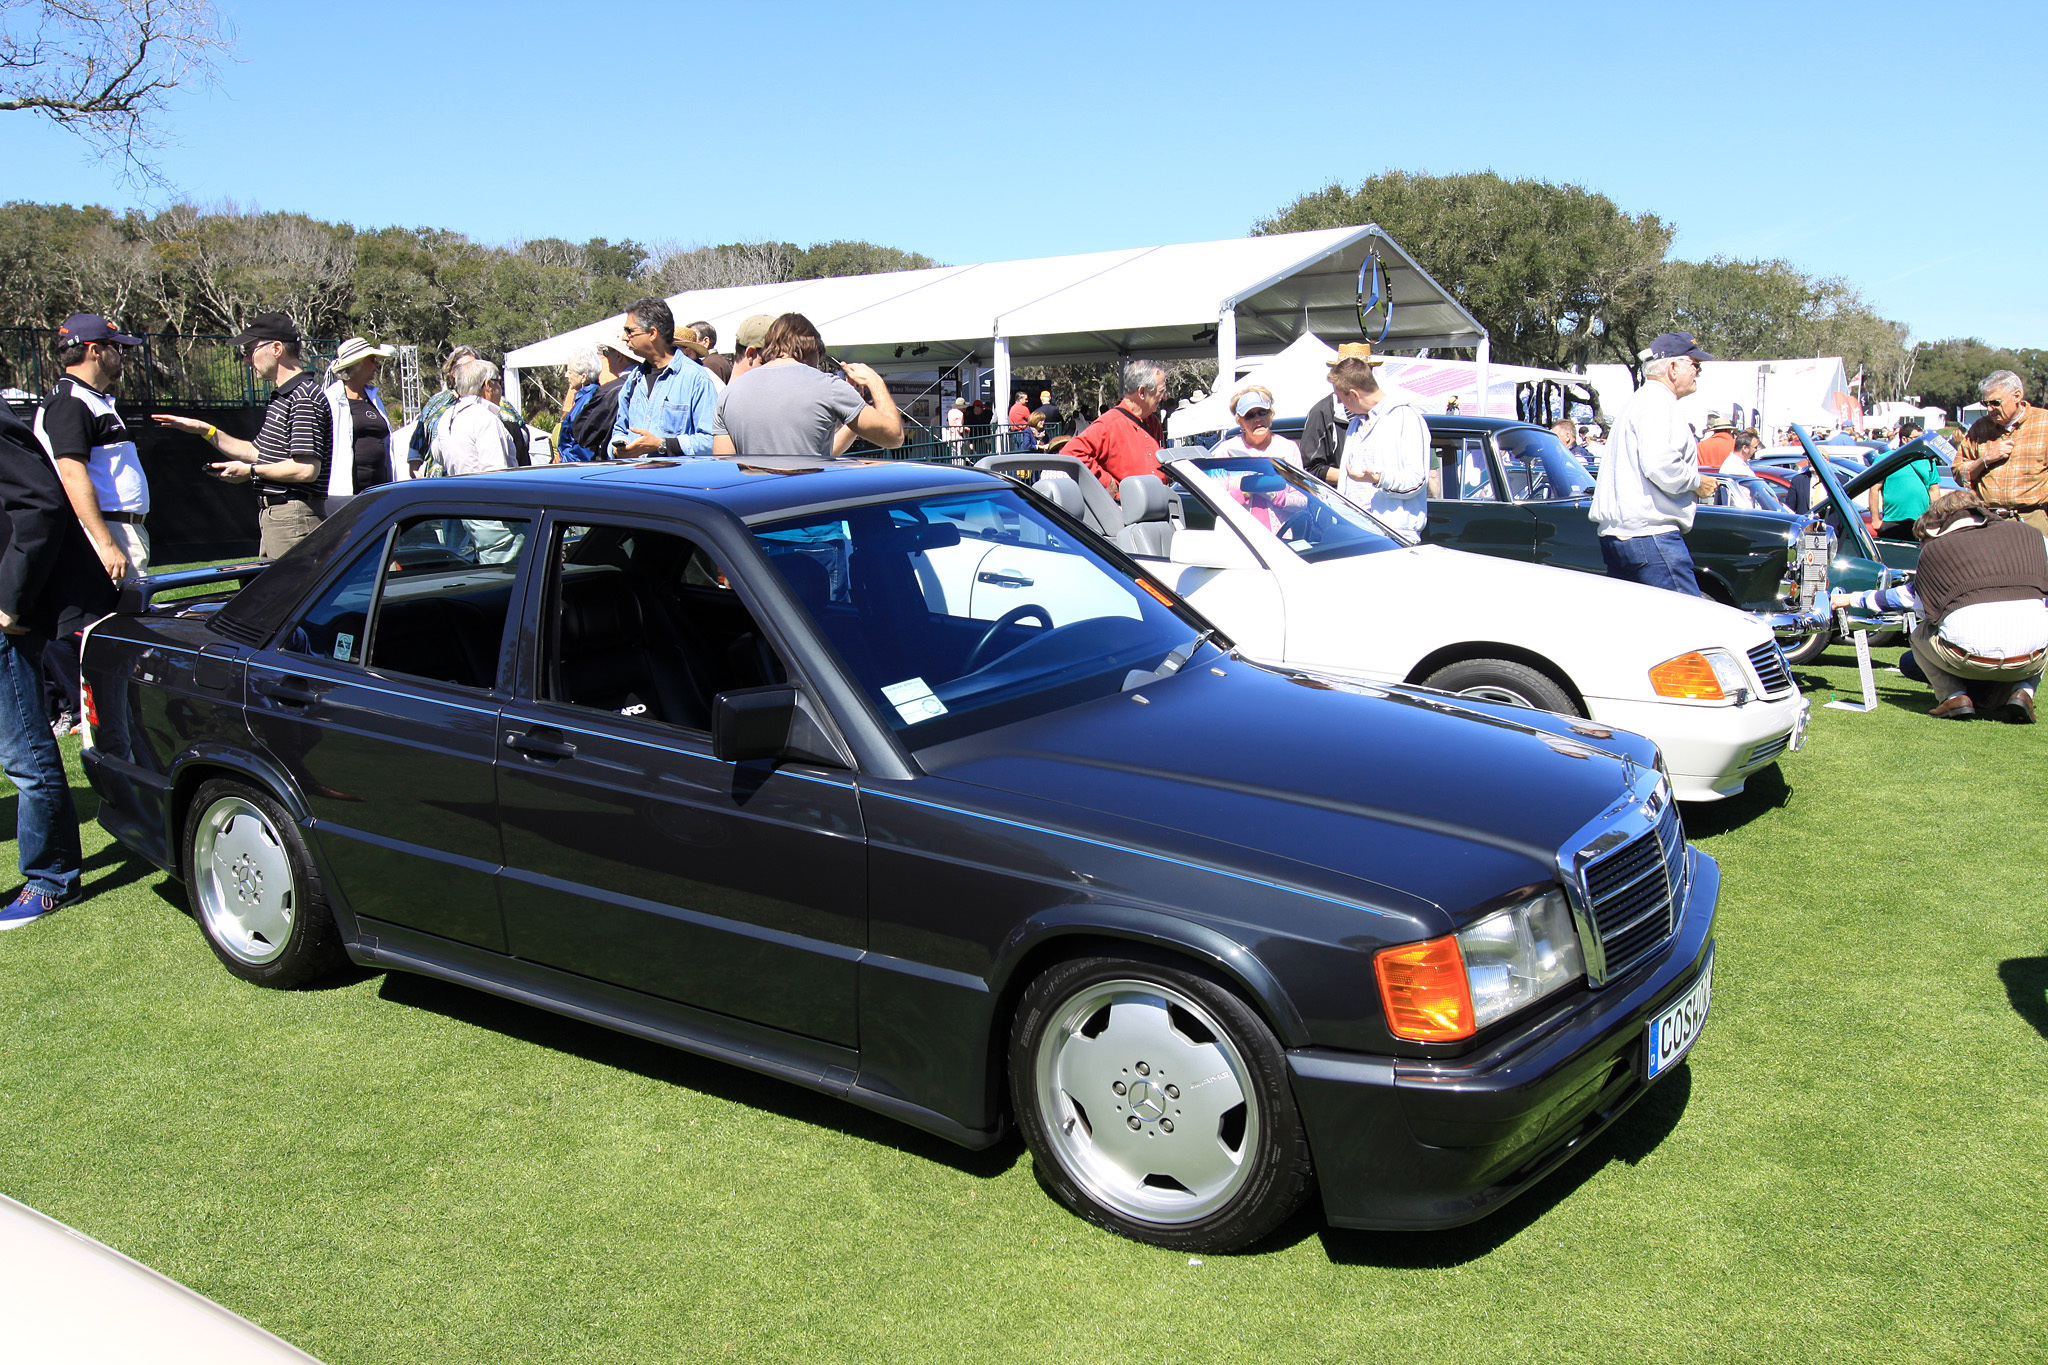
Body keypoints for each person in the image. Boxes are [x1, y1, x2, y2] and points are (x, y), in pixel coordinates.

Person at [0, 402, 117, 928]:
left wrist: (10, 599)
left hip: (11, 614)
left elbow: (40, 503)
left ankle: (50, 879)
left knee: (24, 750)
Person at [1834, 489, 2048, 722]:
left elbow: (1909, 599)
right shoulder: (2033, 535)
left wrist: (1852, 598)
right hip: (2031, 658)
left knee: (1919, 634)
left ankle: (1953, 696)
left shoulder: (1938, 549)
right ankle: (2025, 691)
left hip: (1966, 657)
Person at [153, 311, 332, 559]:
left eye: (250, 350)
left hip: (294, 518)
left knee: (293, 596)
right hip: (279, 518)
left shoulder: (302, 397)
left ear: (277, 348)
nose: (247, 360)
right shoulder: (283, 397)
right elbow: (255, 453)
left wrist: (250, 472)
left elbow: (305, 469)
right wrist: (203, 429)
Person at [1589, 332, 1719, 595]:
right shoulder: (1658, 404)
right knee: (1690, 623)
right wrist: (1697, 482)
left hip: (1624, 536)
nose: (1699, 371)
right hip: (1651, 538)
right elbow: (1661, 465)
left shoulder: (1640, 402)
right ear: (1672, 368)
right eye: (1695, 364)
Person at [31, 313, 149, 585]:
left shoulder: (89, 399)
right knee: (113, 622)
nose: (122, 356)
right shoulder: (71, 401)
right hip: (105, 530)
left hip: (119, 527)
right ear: (95, 351)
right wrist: (106, 543)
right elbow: (72, 475)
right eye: (117, 348)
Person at [711, 313, 902, 459]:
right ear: (813, 348)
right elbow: (894, 437)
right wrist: (875, 381)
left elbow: (724, 466)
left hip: (754, 507)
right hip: (806, 507)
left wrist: (852, 413)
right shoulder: (830, 387)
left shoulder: (729, 394)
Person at [1330, 349, 1428, 536]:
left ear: (1353, 394)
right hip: (1354, 531)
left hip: (1393, 534)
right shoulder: (1356, 423)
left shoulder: (1405, 417)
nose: (1341, 404)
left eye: (1341, 398)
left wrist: (1379, 478)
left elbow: (1418, 480)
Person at [608, 297, 717, 459]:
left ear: (652, 333)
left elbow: (712, 441)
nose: (625, 337)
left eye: (630, 331)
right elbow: (619, 430)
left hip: (672, 482)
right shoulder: (633, 381)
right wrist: (617, 448)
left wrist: (661, 444)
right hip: (633, 479)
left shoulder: (696, 379)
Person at [1955, 370, 2048, 537]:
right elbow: (1958, 473)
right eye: (1986, 404)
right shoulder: (1979, 428)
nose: (1990, 409)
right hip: (1987, 520)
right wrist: (1985, 460)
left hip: (2032, 519)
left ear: (2017, 396)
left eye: (1995, 403)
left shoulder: (2044, 424)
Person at [1064, 359, 1170, 494]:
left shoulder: (1153, 422)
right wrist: (1107, 482)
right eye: (1161, 391)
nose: (1165, 396)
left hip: (1159, 505)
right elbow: (1071, 453)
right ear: (1142, 392)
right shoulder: (1109, 424)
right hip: (1127, 511)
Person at [324, 336, 399, 498]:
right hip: (347, 495)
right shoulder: (332, 399)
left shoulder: (374, 398)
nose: (377, 364)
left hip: (379, 490)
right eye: (372, 359)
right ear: (356, 364)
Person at [431, 359, 517, 475]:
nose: (501, 389)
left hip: (458, 489)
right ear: (488, 385)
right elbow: (496, 472)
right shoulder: (485, 419)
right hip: (484, 490)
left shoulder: (447, 416)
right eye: (499, 382)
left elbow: (437, 452)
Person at [1302, 343, 1373, 484]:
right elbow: (1311, 469)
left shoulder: (1382, 412)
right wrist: (1358, 479)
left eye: (1366, 371)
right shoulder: (1322, 412)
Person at [1216, 385, 1302, 467]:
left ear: (1270, 415)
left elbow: (1297, 482)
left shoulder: (1289, 448)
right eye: (1250, 415)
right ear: (1240, 423)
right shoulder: (1226, 451)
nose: (1257, 419)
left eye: (1262, 412)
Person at [1876, 439, 1942, 541]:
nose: (1920, 442)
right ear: (1905, 439)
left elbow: (1934, 490)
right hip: (1892, 521)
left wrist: (1936, 518)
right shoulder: (1886, 459)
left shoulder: (1927, 460)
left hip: (1921, 521)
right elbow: (1874, 489)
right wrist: (1875, 519)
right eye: (1915, 438)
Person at [556, 348, 605, 462]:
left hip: (575, 466)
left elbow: (584, 446)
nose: (566, 375)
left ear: (583, 377)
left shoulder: (589, 400)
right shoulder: (586, 397)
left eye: (570, 371)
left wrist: (565, 464)